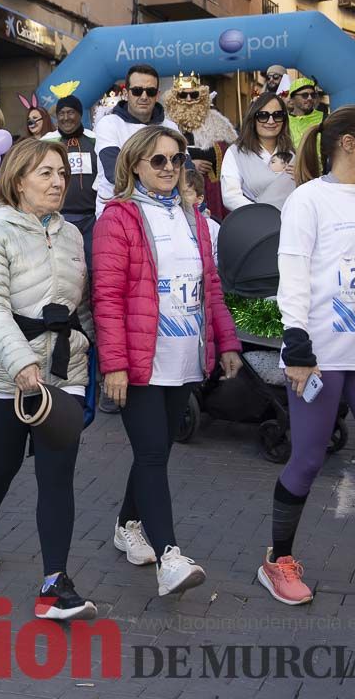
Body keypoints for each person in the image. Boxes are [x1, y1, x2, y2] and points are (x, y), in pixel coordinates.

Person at [93, 126, 241, 597]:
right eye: (158, 160)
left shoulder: (192, 216)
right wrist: (113, 364)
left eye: (176, 160)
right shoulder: (117, 218)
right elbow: (107, 297)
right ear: (135, 164)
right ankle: (170, 557)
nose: (169, 168)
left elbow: (210, 286)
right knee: (154, 453)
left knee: (156, 450)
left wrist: (228, 342)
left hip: (185, 356)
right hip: (140, 359)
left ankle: (126, 524)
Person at [257, 105, 355, 606]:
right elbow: (294, 272)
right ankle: (278, 562)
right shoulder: (308, 200)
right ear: (348, 143)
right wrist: (297, 342)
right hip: (323, 352)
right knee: (309, 458)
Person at [0, 137, 96, 620]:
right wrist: (21, 363)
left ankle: (54, 583)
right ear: (19, 181)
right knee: (1, 466)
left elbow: (80, 306)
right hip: (7, 377)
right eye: (45, 173)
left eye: (61, 172)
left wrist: (93, 349)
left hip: (66, 373)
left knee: (57, 477)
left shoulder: (72, 234)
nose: (58, 181)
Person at [93, 64, 182, 217]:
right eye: (137, 91)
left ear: (157, 94)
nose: (144, 96)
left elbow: (185, 168)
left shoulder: (170, 126)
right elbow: (115, 172)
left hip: (166, 213)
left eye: (150, 91)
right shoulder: (109, 124)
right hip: (119, 213)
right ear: (126, 94)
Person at [161, 73, 237, 220]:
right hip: (179, 188)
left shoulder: (216, 122)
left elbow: (229, 154)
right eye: (183, 95)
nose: (188, 100)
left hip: (212, 191)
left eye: (194, 95)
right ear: (174, 98)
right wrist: (189, 164)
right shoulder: (165, 123)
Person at [42, 95, 98, 267]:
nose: (66, 117)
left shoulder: (95, 139)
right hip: (59, 218)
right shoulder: (46, 141)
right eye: (62, 113)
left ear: (80, 114)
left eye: (71, 112)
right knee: (64, 267)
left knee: (92, 266)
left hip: (91, 219)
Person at [219, 92, 296, 212]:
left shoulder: (292, 154)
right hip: (256, 222)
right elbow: (231, 196)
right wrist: (260, 213)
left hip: (291, 222)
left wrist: (301, 179)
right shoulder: (236, 153)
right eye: (263, 115)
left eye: (277, 115)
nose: (271, 121)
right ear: (253, 119)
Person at [181, 169, 220, 268]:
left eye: (188, 193)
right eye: (180, 192)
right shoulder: (175, 222)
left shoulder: (212, 226)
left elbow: (219, 256)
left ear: (199, 199)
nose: (182, 197)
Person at [287, 78, 325, 149]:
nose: (310, 98)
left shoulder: (324, 118)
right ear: (292, 99)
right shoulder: (284, 121)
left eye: (313, 95)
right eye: (305, 95)